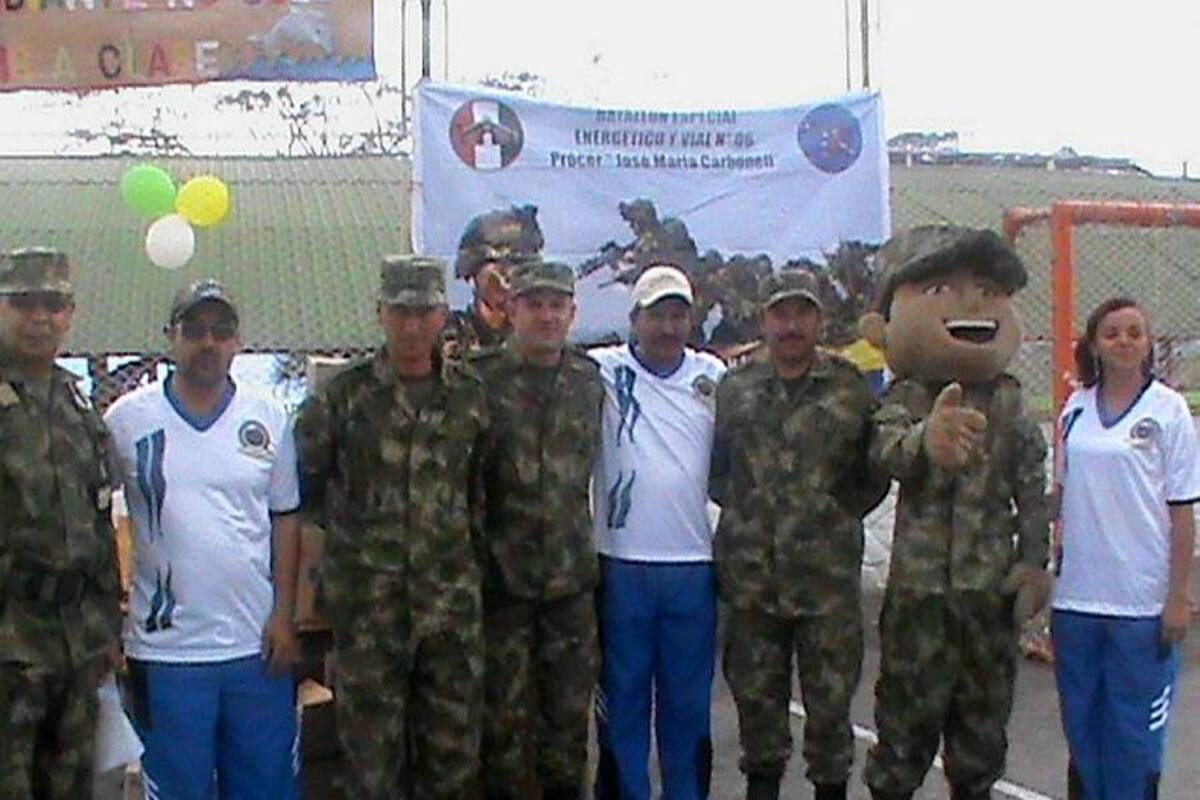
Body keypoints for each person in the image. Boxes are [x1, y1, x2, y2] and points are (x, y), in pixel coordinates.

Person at [858, 226, 1052, 800]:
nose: (970, 302)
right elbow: (886, 451)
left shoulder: (1010, 402)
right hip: (919, 602)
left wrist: (1035, 563)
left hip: (987, 604)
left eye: (987, 288)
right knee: (900, 745)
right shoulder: (906, 397)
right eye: (942, 287)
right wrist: (928, 442)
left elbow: (1033, 489)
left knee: (979, 748)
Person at [294, 255, 489, 799]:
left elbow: (482, 492)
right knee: (370, 768)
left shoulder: (471, 398)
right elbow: (304, 492)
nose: (411, 326)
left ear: (442, 317)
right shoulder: (342, 397)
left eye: (424, 313)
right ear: (380, 313)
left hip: (449, 614)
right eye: (400, 312)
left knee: (451, 763)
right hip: (368, 617)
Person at [104, 278, 302, 799]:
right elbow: (94, 517)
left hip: (255, 649)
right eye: (194, 330)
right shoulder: (126, 421)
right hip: (167, 655)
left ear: (238, 342)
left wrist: (284, 615)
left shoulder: (269, 417)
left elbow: (285, 518)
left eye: (222, 331)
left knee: (264, 788)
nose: (208, 343)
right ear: (171, 337)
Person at [710, 271, 889, 800]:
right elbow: (717, 472)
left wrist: (829, 518)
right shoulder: (736, 388)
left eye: (802, 314)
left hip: (825, 587)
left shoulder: (849, 387)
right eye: (781, 314)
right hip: (751, 587)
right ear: (764, 320)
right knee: (758, 714)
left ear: (819, 320)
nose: (791, 326)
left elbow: (872, 474)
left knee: (830, 716)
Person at [1051, 297, 1198, 800]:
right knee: (1083, 733)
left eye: (1135, 331)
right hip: (1077, 602)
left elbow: (1182, 513)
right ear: (1093, 343)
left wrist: (1178, 596)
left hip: (1141, 605)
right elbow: (1062, 499)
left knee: (1133, 738)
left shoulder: (1169, 410)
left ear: (1149, 342)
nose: (1125, 340)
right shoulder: (1074, 409)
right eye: (1112, 332)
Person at [591, 264, 727, 800]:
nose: (668, 327)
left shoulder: (713, 378)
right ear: (634, 320)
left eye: (678, 315)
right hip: (621, 565)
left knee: (687, 708)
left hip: (692, 568)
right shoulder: (601, 370)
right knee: (622, 702)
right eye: (657, 315)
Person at [471, 259, 605, 800]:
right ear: (510, 311)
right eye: (533, 304)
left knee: (567, 735)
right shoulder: (477, 382)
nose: (546, 316)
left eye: (557, 305)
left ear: (572, 313)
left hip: (570, 590)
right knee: (501, 733)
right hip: (501, 589)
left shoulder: (587, 381)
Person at [0, 247, 123, 800]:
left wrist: (108, 629)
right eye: (23, 303)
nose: (40, 317)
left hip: (76, 645)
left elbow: (99, 527)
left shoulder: (78, 407)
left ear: (70, 314)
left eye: (53, 304)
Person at [443, 205, 545, 357]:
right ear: (473, 271)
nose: (513, 276)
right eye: (503, 267)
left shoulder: (545, 337)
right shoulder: (445, 338)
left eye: (524, 267)